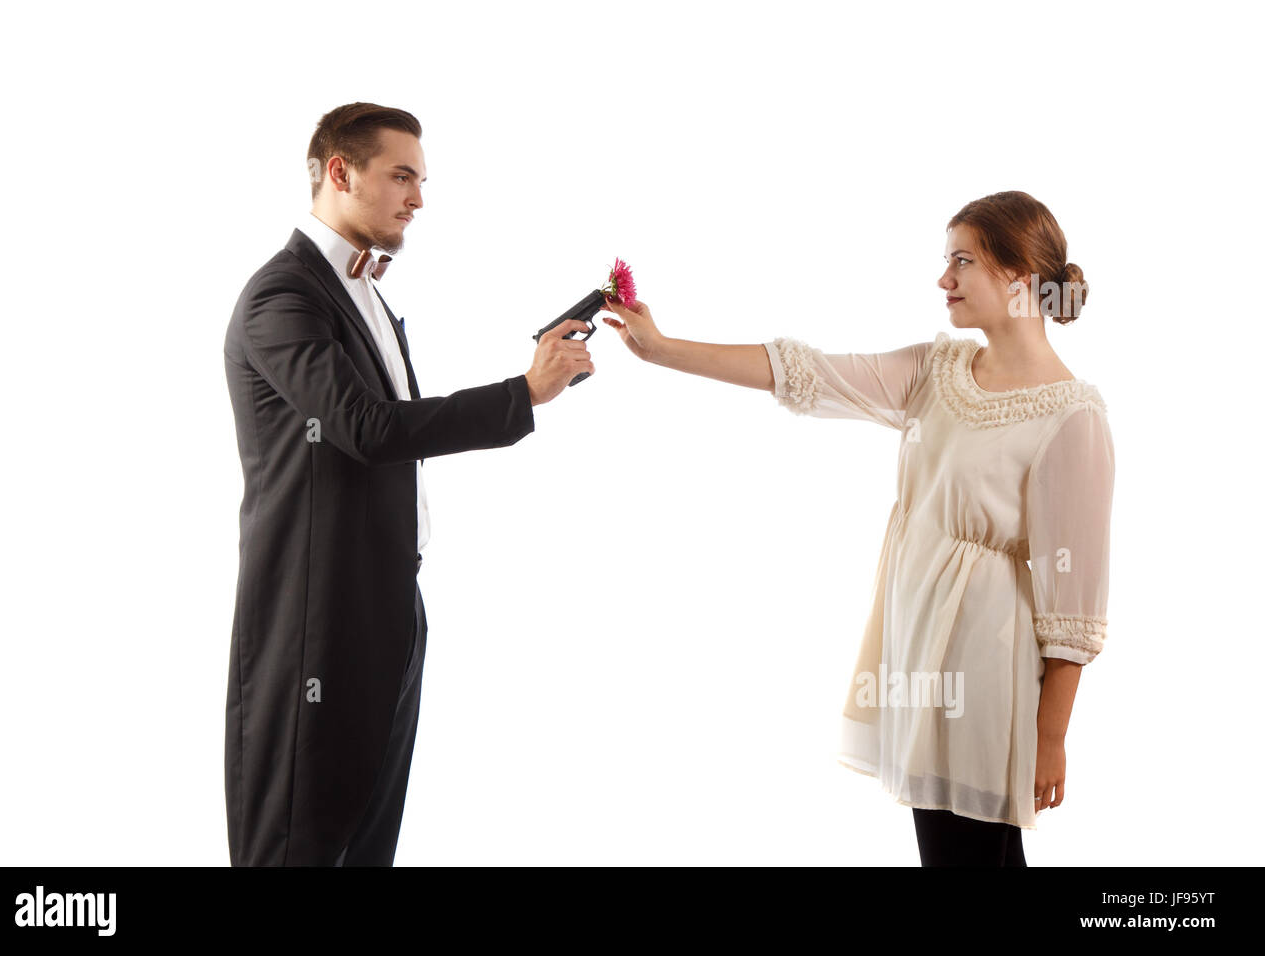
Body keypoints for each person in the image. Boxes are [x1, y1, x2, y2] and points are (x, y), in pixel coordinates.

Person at [600, 190, 1114, 867]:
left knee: (975, 856)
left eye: (962, 261)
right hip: (919, 654)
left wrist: (1052, 739)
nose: (944, 279)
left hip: (986, 669)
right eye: (946, 261)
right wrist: (664, 350)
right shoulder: (938, 372)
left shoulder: (1070, 416)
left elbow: (1072, 602)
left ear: (1019, 278)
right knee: (951, 853)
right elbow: (808, 372)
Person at [222, 103, 594, 866]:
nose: (418, 198)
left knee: (366, 844)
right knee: (298, 845)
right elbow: (368, 429)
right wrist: (523, 393)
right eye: (401, 176)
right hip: (313, 622)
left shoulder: (369, 296)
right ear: (339, 172)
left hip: (389, 605)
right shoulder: (281, 297)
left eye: (420, 180)